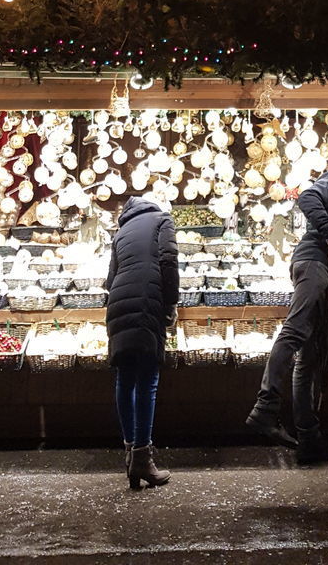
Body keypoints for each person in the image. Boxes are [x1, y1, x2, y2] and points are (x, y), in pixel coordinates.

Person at [246, 152, 328, 463]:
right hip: (315, 264)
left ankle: (309, 440)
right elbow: (307, 198)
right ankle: (265, 408)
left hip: (324, 272)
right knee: (295, 332)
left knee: (309, 355)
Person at [105, 193, 179, 490]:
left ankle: (130, 453)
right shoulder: (162, 220)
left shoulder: (121, 231)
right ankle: (143, 457)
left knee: (125, 378)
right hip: (148, 300)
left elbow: (110, 278)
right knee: (147, 379)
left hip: (119, 304)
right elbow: (168, 260)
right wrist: (171, 304)